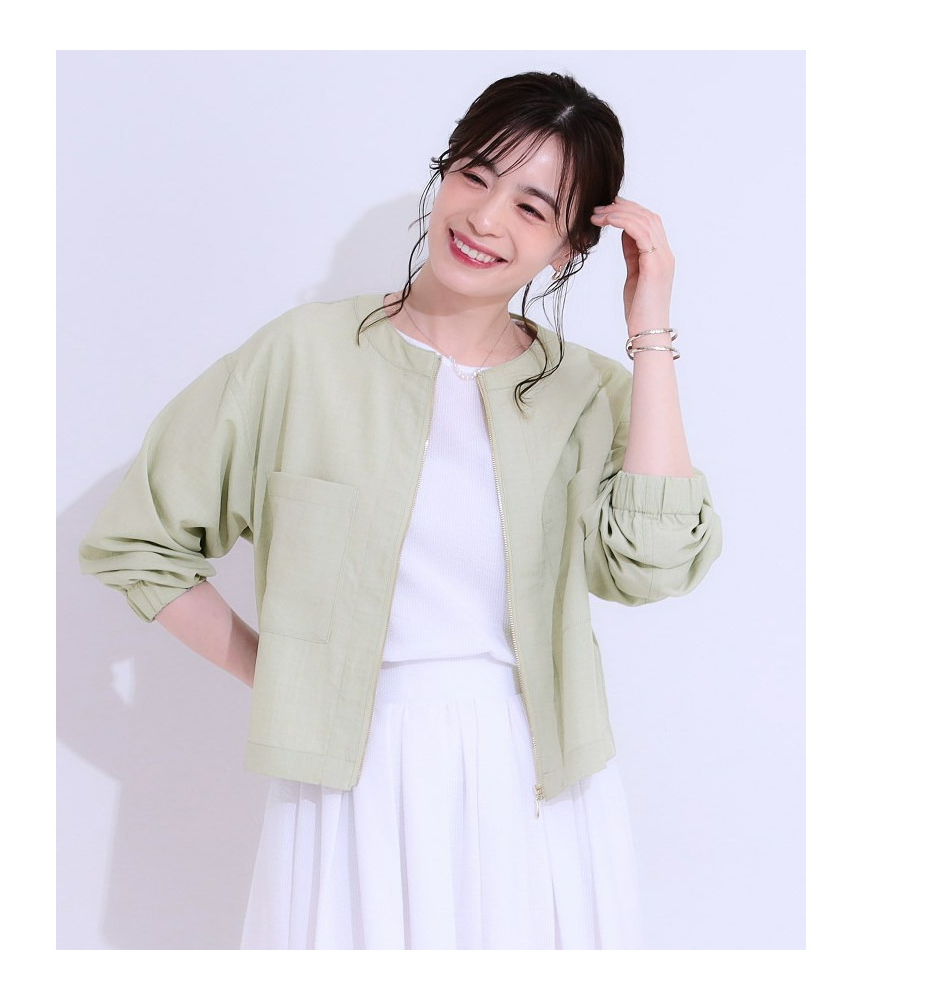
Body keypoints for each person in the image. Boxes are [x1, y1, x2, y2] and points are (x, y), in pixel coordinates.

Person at [79, 70, 722, 950]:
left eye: (532, 208)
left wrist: (650, 333)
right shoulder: (301, 357)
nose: (484, 218)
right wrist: (288, 676)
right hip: (352, 773)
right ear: (444, 174)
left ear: (570, 247)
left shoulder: (587, 392)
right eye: (474, 175)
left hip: (538, 779)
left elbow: (654, 566)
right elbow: (139, 544)